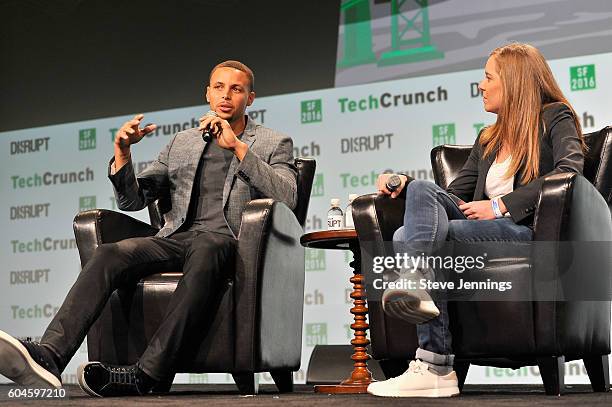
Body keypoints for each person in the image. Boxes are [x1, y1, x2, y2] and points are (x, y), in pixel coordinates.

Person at [0, 60, 297, 397]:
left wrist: (239, 150)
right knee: (111, 253)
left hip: (229, 244)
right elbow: (134, 200)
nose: (226, 95)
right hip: (177, 239)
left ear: (251, 98)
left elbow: (287, 195)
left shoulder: (272, 142)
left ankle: (147, 373)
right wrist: (123, 154)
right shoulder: (182, 143)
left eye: (236, 89)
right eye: (219, 87)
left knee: (207, 248)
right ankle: (50, 356)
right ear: (207, 94)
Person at [367, 43, 585, 398]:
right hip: (478, 229)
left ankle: (434, 364)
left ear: (514, 82)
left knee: (411, 236)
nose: (480, 86)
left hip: (525, 231)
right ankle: (430, 346)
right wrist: (406, 187)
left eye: (488, 77)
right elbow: (448, 196)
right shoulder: (488, 139)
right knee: (420, 201)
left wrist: (500, 206)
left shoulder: (554, 116)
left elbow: (569, 172)